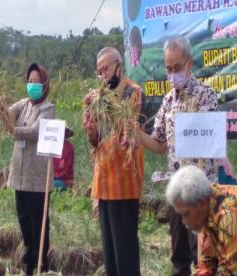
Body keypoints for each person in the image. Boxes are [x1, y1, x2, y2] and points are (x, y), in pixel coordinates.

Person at [131, 37, 218, 275]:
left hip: (202, 191)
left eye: (177, 68)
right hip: (176, 190)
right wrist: (135, 133)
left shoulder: (205, 95)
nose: (172, 74)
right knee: (179, 257)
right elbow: (159, 144)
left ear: (189, 64)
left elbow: (210, 140)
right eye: (168, 69)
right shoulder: (168, 100)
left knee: (204, 255)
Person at [82, 47, 144, 276]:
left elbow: (127, 129)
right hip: (104, 183)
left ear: (119, 65)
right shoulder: (97, 97)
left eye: (106, 69)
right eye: (99, 72)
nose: (103, 75)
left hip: (124, 184)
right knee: (110, 257)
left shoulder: (133, 92)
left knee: (125, 252)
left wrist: (104, 104)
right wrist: (90, 128)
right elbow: (96, 141)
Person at [7, 63, 55, 275]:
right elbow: (9, 111)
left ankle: (40, 264)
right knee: (24, 219)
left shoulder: (48, 108)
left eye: (36, 82)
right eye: (29, 81)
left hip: (38, 178)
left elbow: (35, 132)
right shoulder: (25, 104)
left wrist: (13, 130)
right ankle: (29, 258)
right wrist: (1, 111)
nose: (32, 85)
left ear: (44, 84)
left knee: (38, 222)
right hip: (20, 175)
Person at [166, 165, 237, 275]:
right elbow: (206, 266)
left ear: (201, 203)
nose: (184, 222)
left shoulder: (228, 215)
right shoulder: (207, 211)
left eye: (186, 214)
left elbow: (232, 271)